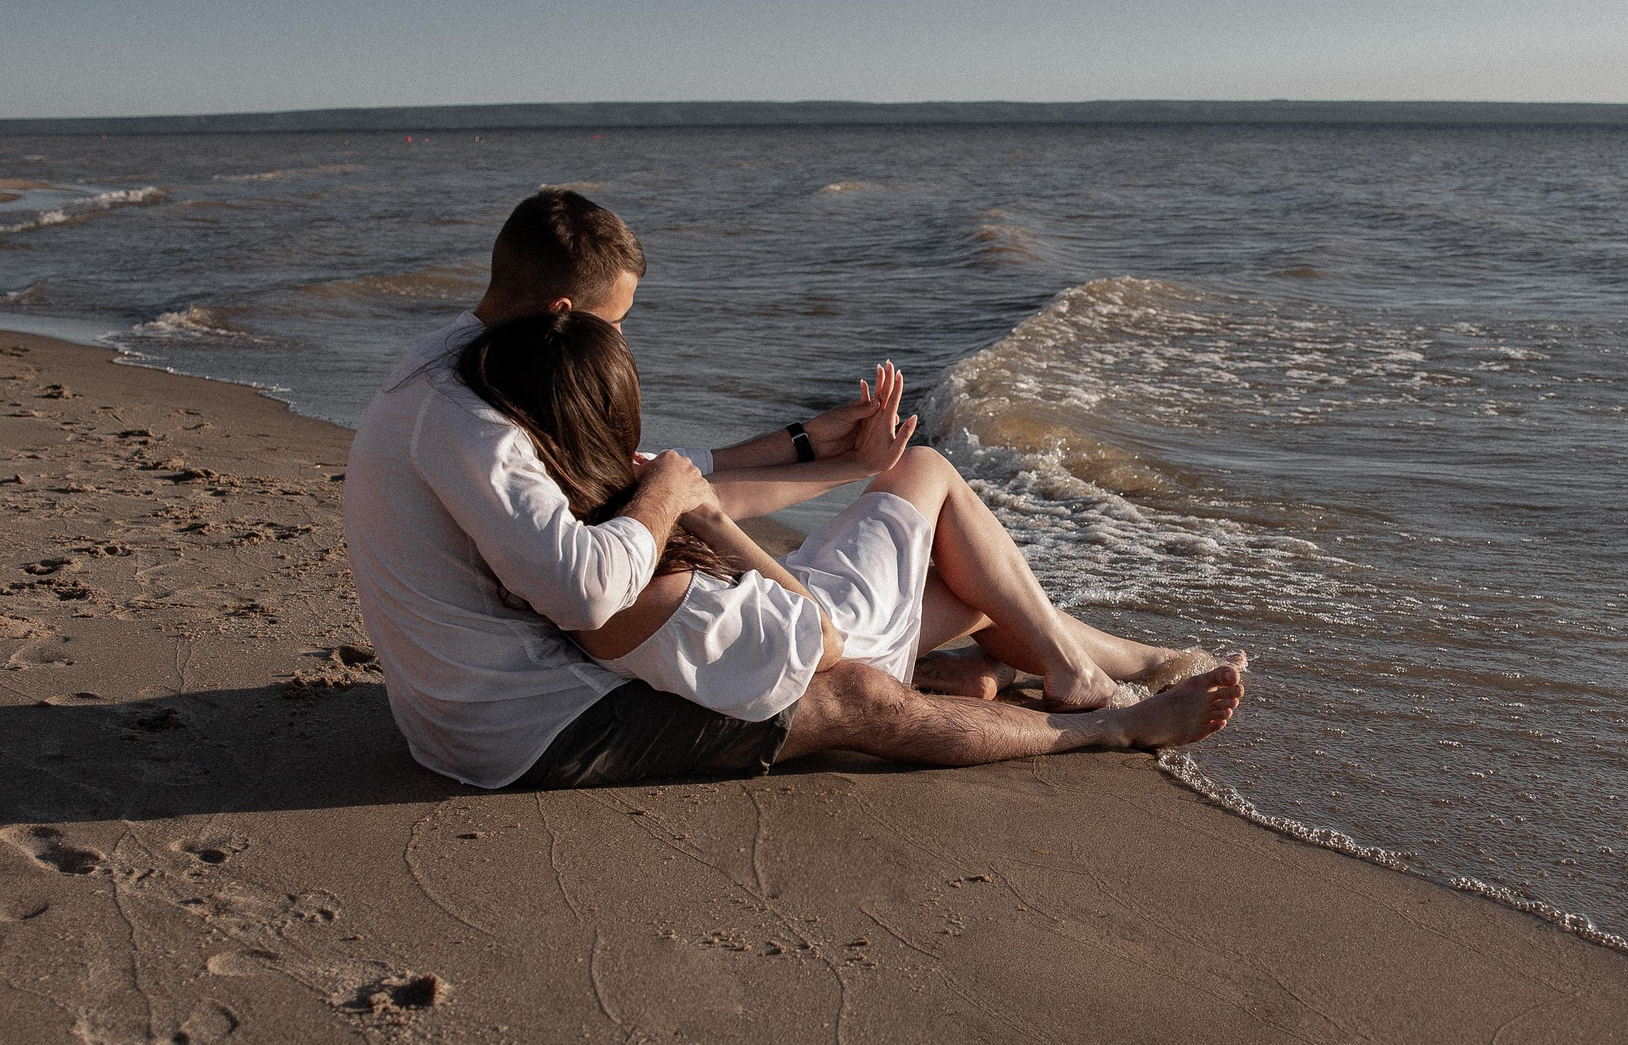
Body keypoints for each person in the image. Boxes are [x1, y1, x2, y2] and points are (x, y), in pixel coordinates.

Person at [343, 188, 1242, 792]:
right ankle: (1106, 722)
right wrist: (682, 500)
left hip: (515, 686)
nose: (621, 348)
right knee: (859, 697)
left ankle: (1100, 664)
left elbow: (643, 478)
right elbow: (599, 567)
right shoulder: (465, 415)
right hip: (532, 722)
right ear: (563, 321)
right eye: (616, 328)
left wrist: (818, 447)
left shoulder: (483, 373)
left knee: (932, 593)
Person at [451, 310, 1245, 788]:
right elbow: (821, 641)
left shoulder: (550, 501)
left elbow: (706, 484)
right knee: (930, 476)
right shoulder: (629, 580)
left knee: (971, 588)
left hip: (759, 612)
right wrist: (718, 525)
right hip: (803, 630)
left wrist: (831, 464)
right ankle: (1087, 684)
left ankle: (1122, 661)